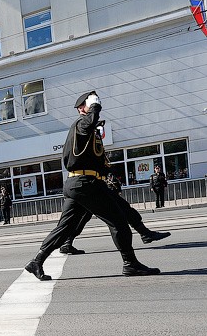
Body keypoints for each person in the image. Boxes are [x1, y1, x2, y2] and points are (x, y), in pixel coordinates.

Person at [25, 90, 159, 280]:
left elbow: (97, 161)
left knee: (66, 228)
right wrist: (94, 106)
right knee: (118, 221)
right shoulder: (81, 123)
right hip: (84, 183)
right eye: (90, 104)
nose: (95, 106)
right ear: (82, 109)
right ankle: (130, 264)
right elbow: (89, 122)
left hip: (79, 183)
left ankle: (37, 261)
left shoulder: (86, 131)